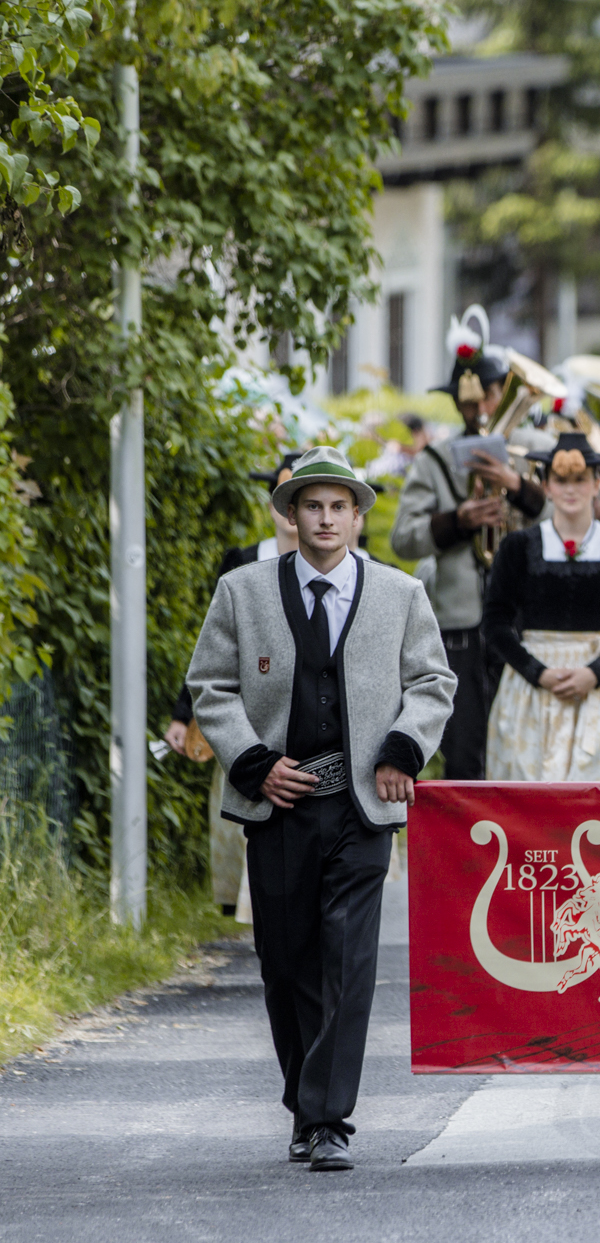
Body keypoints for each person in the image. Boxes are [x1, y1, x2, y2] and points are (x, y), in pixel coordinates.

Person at [185, 446, 454, 1171]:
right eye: (312, 506)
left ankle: (328, 1118)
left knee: (347, 957)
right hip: (277, 802)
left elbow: (433, 681)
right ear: (290, 513)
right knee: (286, 959)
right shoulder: (242, 591)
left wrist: (403, 747)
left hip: (362, 803)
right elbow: (210, 685)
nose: (326, 518)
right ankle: (305, 1100)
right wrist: (252, 763)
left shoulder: (401, 594)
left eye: (339, 506)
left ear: (358, 515)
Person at [389, 338, 547, 779]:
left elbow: (570, 517)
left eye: (491, 395)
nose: (480, 408)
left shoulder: (535, 446)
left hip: (528, 617)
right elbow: (403, 539)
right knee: (464, 749)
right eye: (469, 400)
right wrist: (459, 521)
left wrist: (516, 487)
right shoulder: (435, 460)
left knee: (526, 748)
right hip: (463, 623)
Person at [165, 450, 302, 914]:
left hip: (304, 714)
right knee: (243, 801)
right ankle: (238, 906)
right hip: (247, 711)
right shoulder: (243, 562)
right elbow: (213, 650)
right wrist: (184, 714)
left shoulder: (341, 570)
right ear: (274, 505)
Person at [481, 433, 600, 781]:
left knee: (598, 790)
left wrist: (597, 671)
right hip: (533, 687)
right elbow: (495, 622)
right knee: (529, 790)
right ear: (546, 485)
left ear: (596, 484)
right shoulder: (518, 545)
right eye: (561, 480)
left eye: (580, 480)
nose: (570, 489)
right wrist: (536, 672)